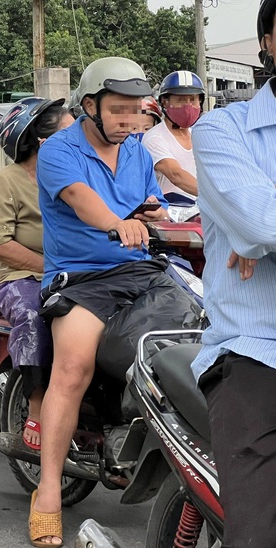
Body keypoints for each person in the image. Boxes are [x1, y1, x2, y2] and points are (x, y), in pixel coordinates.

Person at [31, 57, 172, 547]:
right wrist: (116, 222)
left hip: (142, 270)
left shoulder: (137, 152)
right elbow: (80, 198)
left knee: (201, 340)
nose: (129, 120)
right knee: (72, 370)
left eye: (137, 111)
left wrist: (165, 217)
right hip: (81, 279)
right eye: (119, 110)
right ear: (89, 105)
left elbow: (154, 205)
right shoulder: (57, 151)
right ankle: (48, 489)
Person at [189, 1, 276, 543]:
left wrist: (259, 226)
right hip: (257, 350)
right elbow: (261, 224)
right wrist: (255, 226)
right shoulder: (224, 130)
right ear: (268, 41)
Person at [0, 97, 74, 451]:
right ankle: (36, 404)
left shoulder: (76, 177)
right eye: (69, 134)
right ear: (42, 141)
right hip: (18, 278)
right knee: (35, 314)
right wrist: (48, 267)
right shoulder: (8, 181)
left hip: (74, 272)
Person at [141, 71, 204, 203]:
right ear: (165, 102)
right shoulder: (155, 138)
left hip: (200, 209)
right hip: (171, 211)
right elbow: (176, 175)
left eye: (193, 99)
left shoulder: (199, 135)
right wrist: (215, 196)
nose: (188, 106)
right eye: (180, 100)